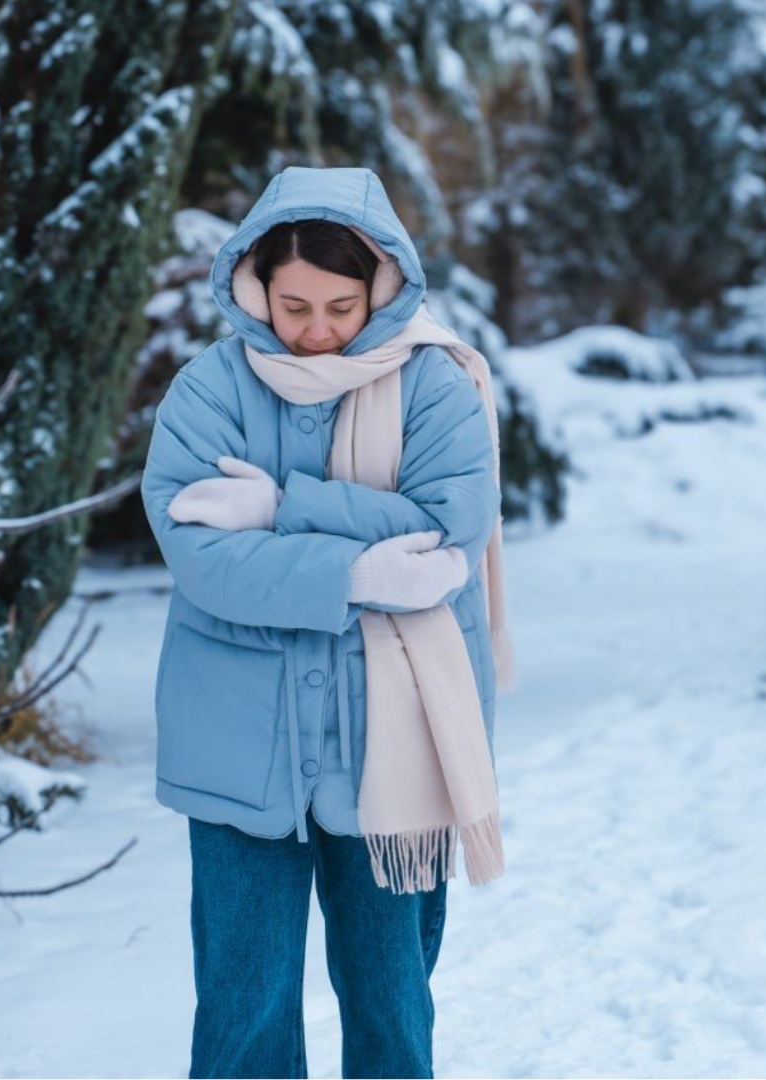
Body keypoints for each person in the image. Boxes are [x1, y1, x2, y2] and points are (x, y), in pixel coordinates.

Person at [140, 166, 513, 1079]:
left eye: (340, 307)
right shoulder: (209, 388)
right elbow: (201, 559)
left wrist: (277, 511)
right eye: (293, 304)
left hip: (399, 748)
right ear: (255, 285)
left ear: (381, 288)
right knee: (243, 1012)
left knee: (391, 1009)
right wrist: (355, 568)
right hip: (237, 751)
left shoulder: (437, 385)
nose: (313, 332)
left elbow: (444, 533)